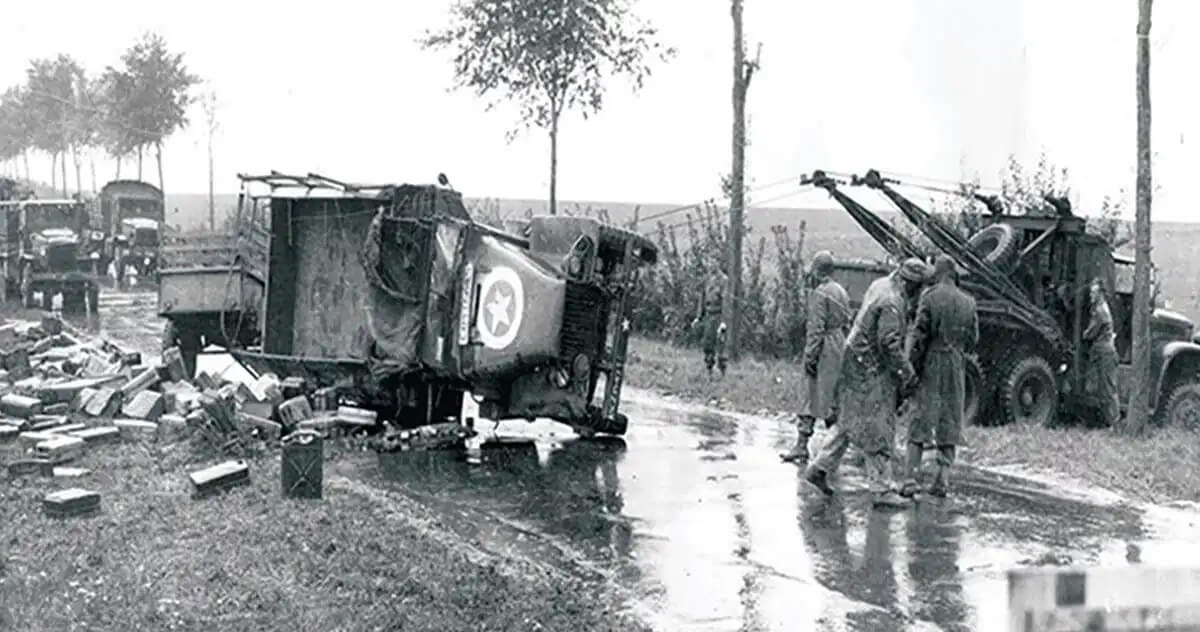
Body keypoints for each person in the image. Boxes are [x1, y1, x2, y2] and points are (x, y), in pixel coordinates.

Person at [805, 257, 932, 508]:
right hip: (870, 367)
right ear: (911, 285)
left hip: (854, 359)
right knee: (879, 426)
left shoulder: (881, 284)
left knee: (850, 421)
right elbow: (889, 344)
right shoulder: (892, 303)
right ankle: (880, 489)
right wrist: (907, 374)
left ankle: (819, 468)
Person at [900, 254, 979, 498]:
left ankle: (911, 478)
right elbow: (974, 339)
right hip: (956, 363)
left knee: (919, 419)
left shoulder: (930, 298)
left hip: (932, 363)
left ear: (939, 273)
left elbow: (920, 338)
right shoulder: (969, 302)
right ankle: (942, 479)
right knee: (950, 419)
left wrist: (911, 371)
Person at [781, 251, 851, 465]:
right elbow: (847, 320)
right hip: (839, 344)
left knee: (810, 394)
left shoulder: (820, 293)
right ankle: (833, 449)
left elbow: (816, 328)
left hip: (823, 348)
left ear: (817, 271)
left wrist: (810, 356)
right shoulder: (840, 291)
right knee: (833, 398)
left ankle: (802, 445)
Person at [1083, 277, 1120, 427]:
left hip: (1104, 352)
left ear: (1101, 294)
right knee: (1099, 388)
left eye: (1093, 292)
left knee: (1108, 389)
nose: (1091, 295)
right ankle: (1105, 422)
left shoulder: (1100, 312)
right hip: (1102, 351)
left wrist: (1083, 334)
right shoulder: (1102, 308)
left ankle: (1114, 423)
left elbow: (1090, 333)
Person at [693, 262, 729, 377]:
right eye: (709, 262)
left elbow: (725, 302)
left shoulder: (723, 280)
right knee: (707, 344)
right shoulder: (707, 279)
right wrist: (698, 317)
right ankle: (709, 371)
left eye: (713, 261)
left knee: (720, 345)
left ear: (718, 264)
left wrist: (723, 321)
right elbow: (702, 298)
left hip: (718, 315)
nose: (711, 265)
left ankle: (722, 372)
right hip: (708, 315)